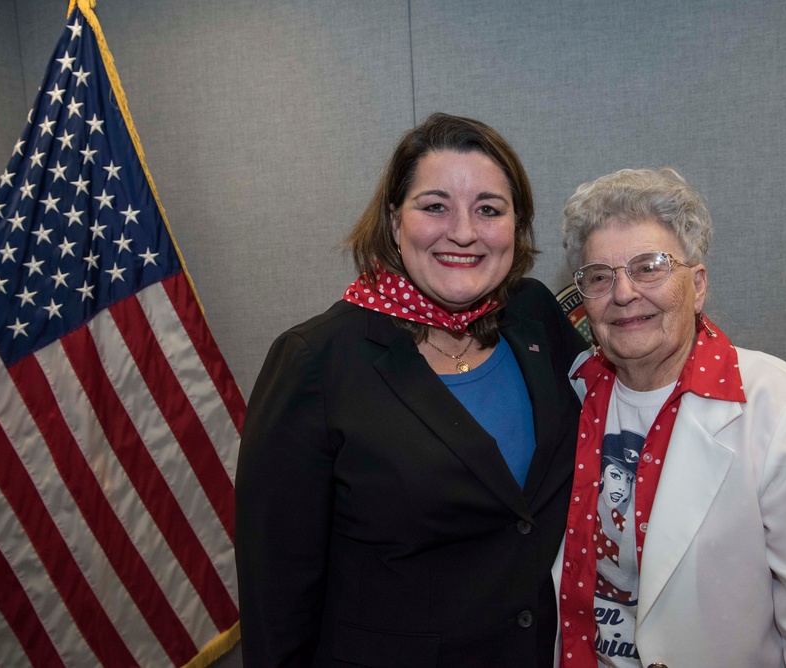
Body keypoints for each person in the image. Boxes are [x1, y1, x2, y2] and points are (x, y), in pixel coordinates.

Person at [236, 112, 588, 667]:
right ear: (395, 220)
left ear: (516, 227)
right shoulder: (315, 362)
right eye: (435, 206)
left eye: (489, 210)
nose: (464, 232)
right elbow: (276, 593)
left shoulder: (536, 316)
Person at [555, 168, 786, 667]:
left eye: (649, 267)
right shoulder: (569, 390)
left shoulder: (781, 404)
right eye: (600, 276)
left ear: (698, 284)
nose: (622, 294)